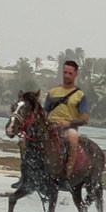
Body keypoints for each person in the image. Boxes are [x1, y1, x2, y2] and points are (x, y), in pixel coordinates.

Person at [13, 60, 89, 188]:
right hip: (51, 126)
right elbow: (45, 113)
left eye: (70, 73)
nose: (67, 75)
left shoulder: (80, 96)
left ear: (75, 74)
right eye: (65, 72)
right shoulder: (53, 92)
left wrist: (68, 122)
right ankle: (25, 175)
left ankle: (66, 176)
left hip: (68, 128)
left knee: (73, 137)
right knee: (23, 140)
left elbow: (85, 119)